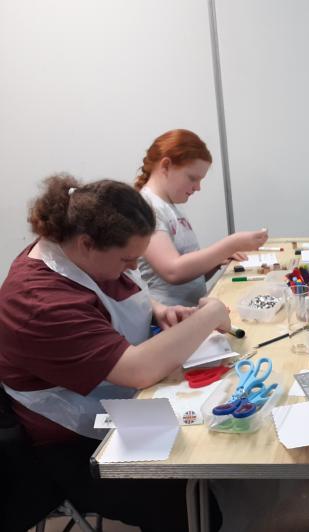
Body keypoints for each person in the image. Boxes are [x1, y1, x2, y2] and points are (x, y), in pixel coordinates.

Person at [0, 175, 231, 531]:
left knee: (211, 447)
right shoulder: (40, 301)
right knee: (187, 499)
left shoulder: (75, 252)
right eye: (127, 259)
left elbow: (116, 292)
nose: (135, 268)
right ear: (87, 243)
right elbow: (137, 371)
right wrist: (211, 314)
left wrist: (156, 310)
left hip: (114, 401)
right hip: (70, 441)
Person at [135, 129, 268, 306]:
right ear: (166, 166)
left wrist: (217, 261)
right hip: (168, 320)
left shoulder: (171, 208)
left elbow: (190, 278)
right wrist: (231, 244)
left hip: (189, 312)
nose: (198, 187)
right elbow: (173, 271)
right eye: (192, 178)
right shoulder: (146, 207)